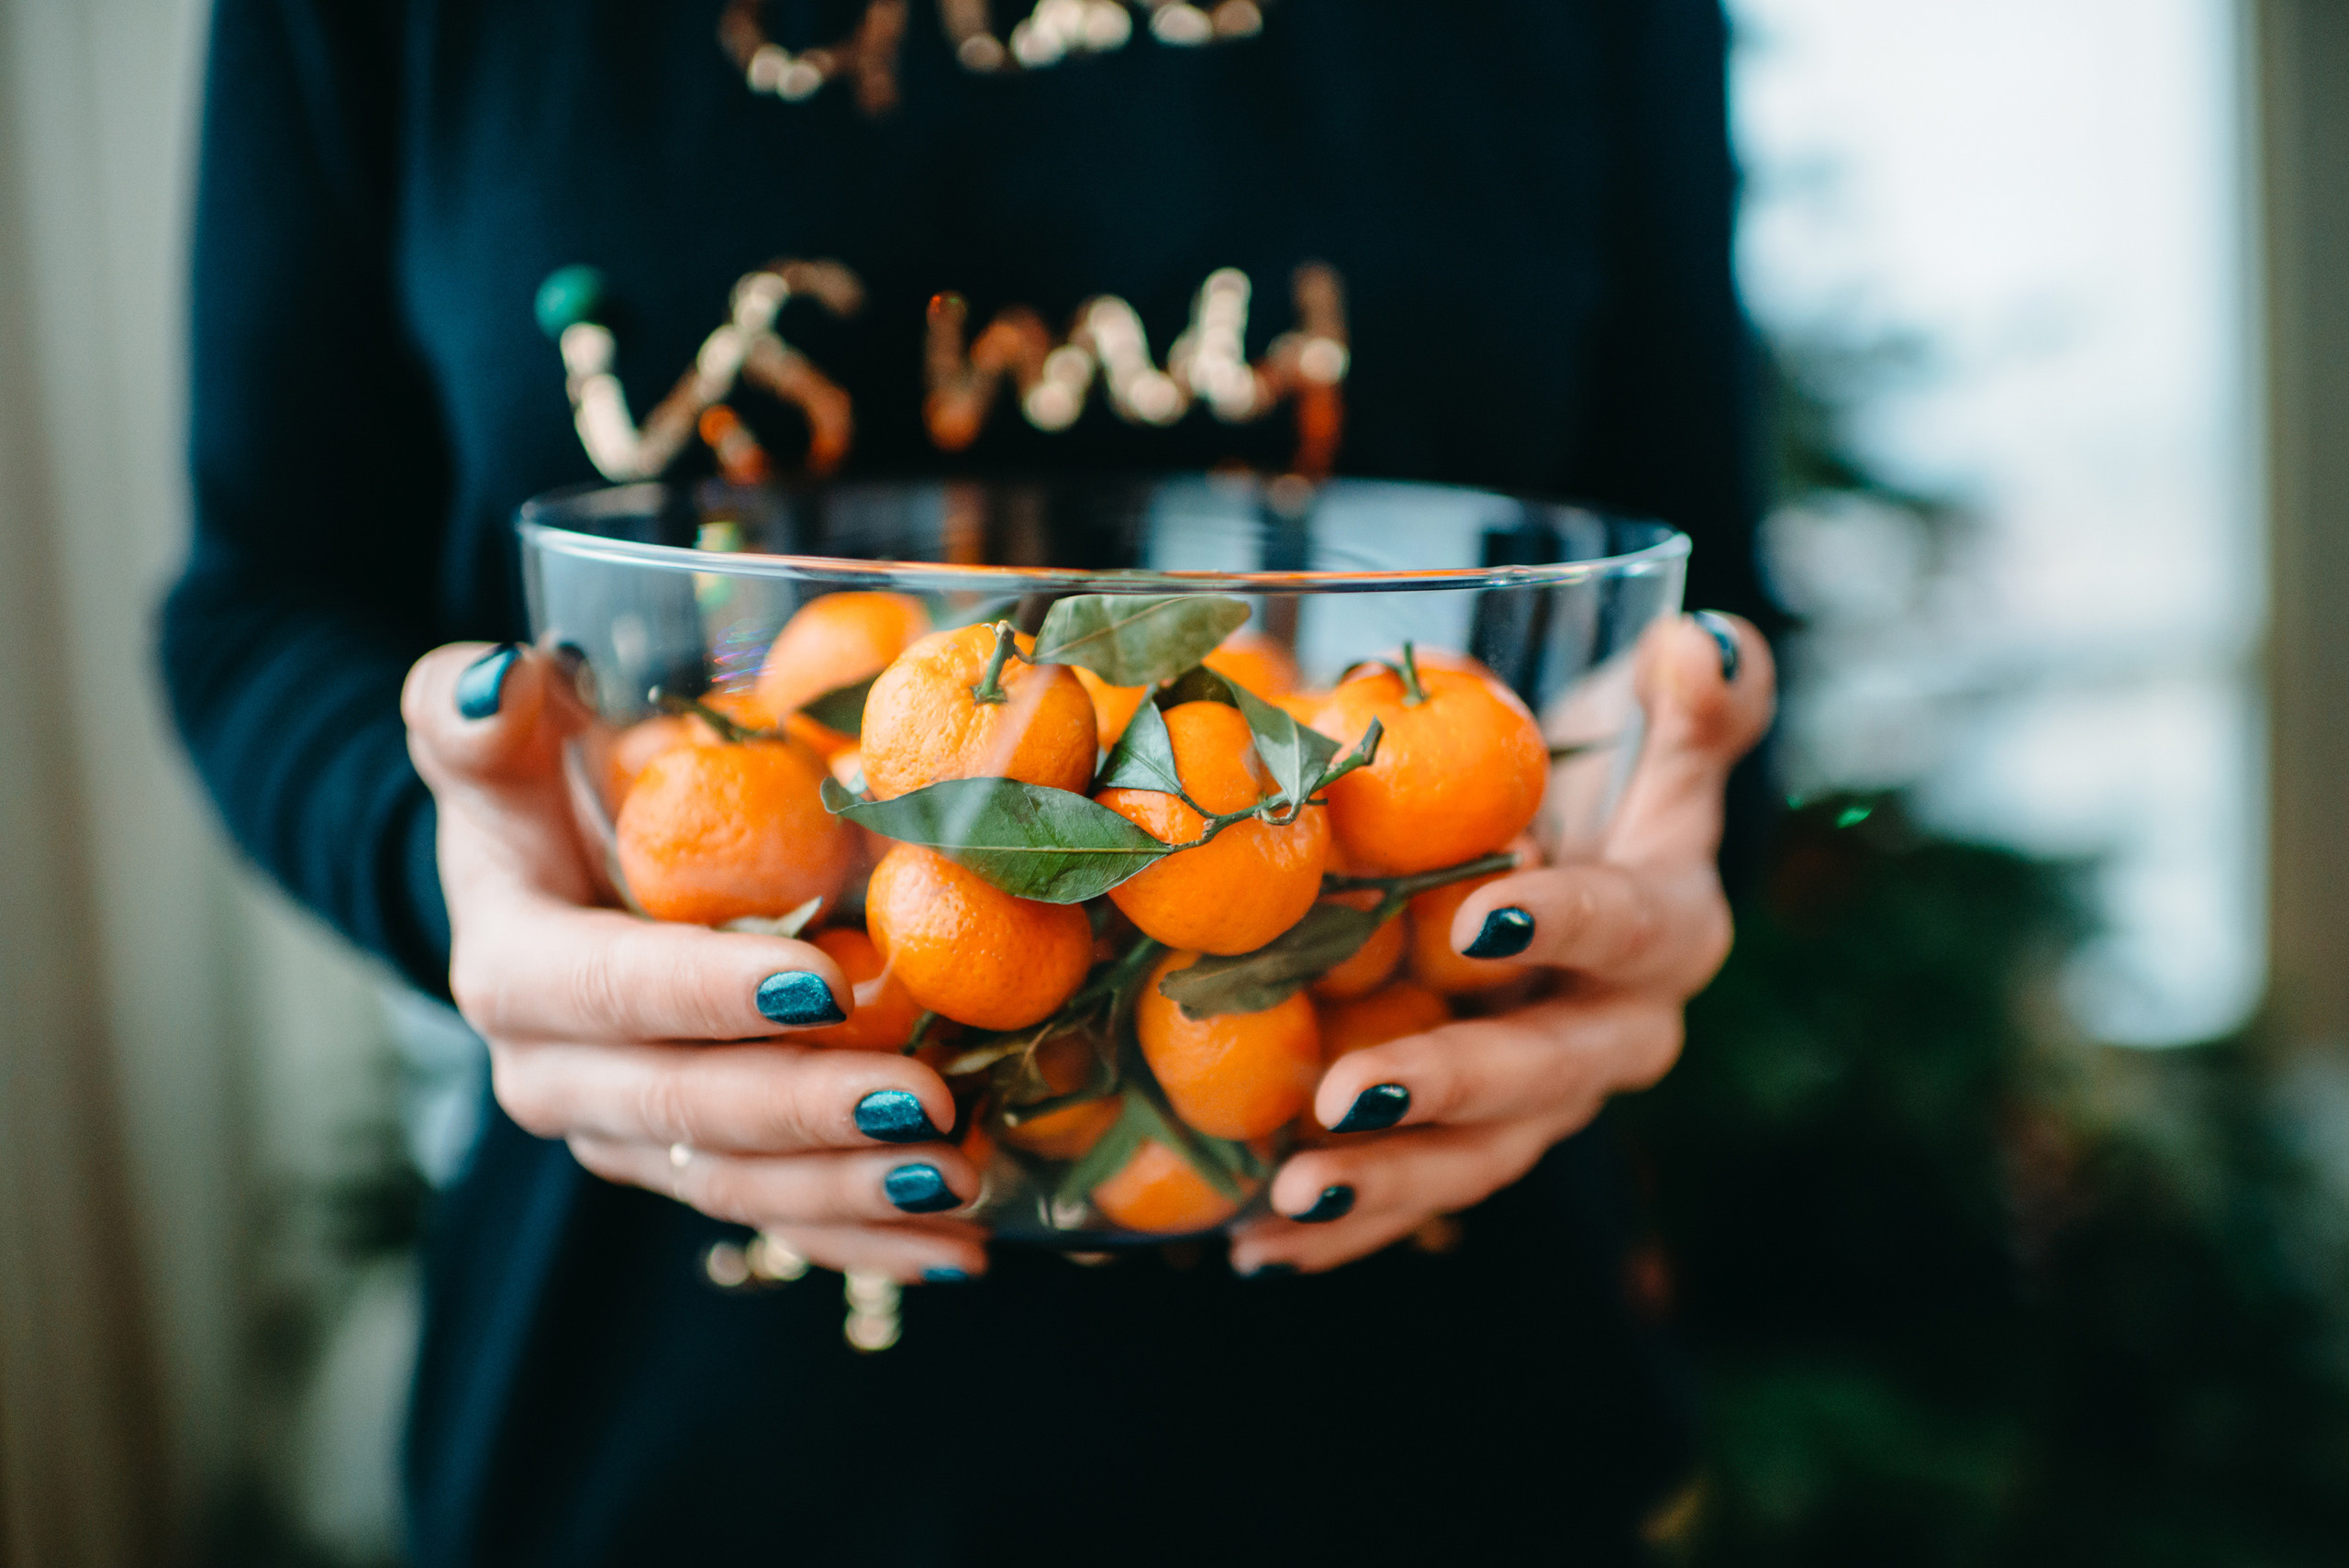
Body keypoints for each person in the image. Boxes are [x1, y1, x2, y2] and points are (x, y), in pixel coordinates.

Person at [163, 1, 1775, 1561]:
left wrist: (1669, 832)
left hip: (1430, 1407)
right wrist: (449, 856)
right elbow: (256, 604)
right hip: (674, 1441)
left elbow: (1689, 627)